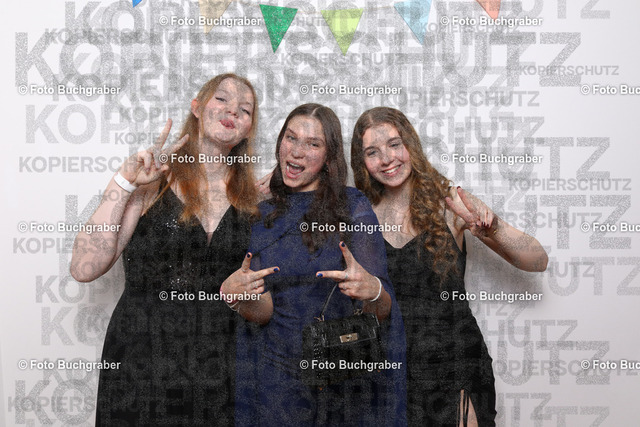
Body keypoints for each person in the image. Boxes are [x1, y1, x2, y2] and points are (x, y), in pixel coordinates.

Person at [70, 73, 272, 425]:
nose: (233, 111)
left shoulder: (251, 200)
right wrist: (123, 182)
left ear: (248, 129)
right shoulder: (154, 179)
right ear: (197, 108)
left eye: (245, 109)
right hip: (141, 358)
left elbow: (263, 303)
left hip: (218, 366)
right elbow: (84, 267)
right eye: (221, 99)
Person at [350, 107, 549, 426]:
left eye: (394, 144)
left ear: (410, 145)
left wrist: (493, 228)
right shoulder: (360, 218)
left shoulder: (450, 204)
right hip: (390, 370)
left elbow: (537, 260)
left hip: (456, 365)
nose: (386, 158)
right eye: (372, 152)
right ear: (362, 162)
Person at [227, 103, 407, 426]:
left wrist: (373, 289)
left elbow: (382, 310)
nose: (297, 151)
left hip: (339, 384)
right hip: (276, 385)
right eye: (291, 138)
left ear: (329, 156)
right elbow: (264, 311)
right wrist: (237, 298)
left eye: (313, 144)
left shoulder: (353, 207)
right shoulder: (263, 214)